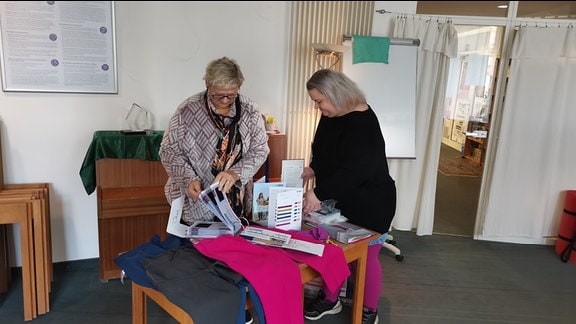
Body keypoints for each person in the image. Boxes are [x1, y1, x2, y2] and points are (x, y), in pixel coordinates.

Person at [301, 69, 397, 324]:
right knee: (335, 251)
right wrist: (313, 168)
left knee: (366, 258)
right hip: (342, 199)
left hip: (372, 203)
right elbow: (322, 149)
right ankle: (331, 299)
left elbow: (356, 171)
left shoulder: (362, 121)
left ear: (335, 94)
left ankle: (368, 310)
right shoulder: (332, 114)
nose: (318, 107)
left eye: (319, 101)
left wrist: (317, 193)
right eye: (315, 102)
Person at [159, 56, 269, 227]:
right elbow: (168, 152)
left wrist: (235, 173)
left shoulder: (250, 110)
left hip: (236, 203)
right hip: (196, 203)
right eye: (219, 95)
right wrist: (188, 179)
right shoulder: (187, 110)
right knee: (194, 252)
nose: (225, 100)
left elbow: (260, 149)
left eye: (231, 95)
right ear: (207, 86)